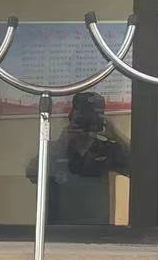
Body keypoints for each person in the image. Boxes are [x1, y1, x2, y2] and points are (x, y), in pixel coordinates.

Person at [24, 90, 131, 224]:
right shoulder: (56, 149)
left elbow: (141, 170)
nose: (85, 125)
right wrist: (62, 144)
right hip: (57, 229)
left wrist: (117, 135)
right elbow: (31, 173)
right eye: (81, 120)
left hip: (98, 229)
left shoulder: (107, 149)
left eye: (91, 120)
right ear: (71, 118)